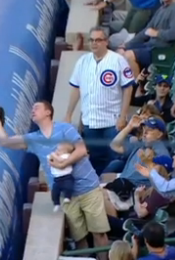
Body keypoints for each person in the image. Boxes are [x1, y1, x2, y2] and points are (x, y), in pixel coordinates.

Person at [0, 101, 110, 260]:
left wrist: (63, 163)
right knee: (80, 237)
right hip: (65, 195)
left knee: (99, 233)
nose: (33, 110)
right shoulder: (34, 139)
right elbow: (5, 142)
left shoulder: (65, 129)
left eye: (36, 108)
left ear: (48, 112)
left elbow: (81, 150)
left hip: (88, 188)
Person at [64, 26, 135, 175]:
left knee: (115, 158)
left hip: (112, 121)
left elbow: (128, 88)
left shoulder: (118, 60)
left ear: (106, 42)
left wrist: (123, 116)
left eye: (98, 40)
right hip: (91, 121)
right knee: (95, 160)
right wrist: (69, 114)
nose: (94, 43)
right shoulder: (83, 61)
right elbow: (76, 88)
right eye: (91, 40)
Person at [118, 0, 175, 77]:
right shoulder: (162, 8)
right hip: (150, 45)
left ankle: (137, 85)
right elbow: (146, 31)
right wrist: (127, 45)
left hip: (162, 51)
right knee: (120, 51)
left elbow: (172, 34)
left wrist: (157, 33)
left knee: (129, 55)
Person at [48, 142, 75, 212]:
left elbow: (60, 160)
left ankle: (68, 197)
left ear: (65, 152)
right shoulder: (57, 156)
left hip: (67, 177)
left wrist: (54, 155)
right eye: (57, 149)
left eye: (59, 150)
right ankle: (56, 203)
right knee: (54, 192)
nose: (56, 151)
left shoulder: (67, 156)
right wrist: (51, 158)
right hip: (57, 179)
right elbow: (50, 161)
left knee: (69, 187)